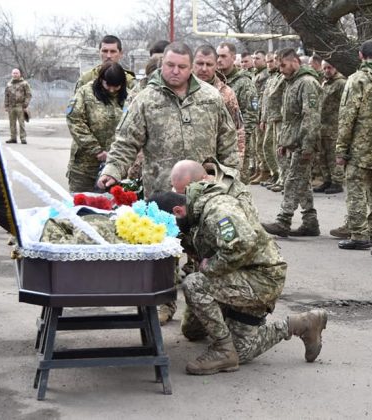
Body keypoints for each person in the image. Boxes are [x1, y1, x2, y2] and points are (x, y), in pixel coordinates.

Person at [97, 42, 241, 325]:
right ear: (162, 64)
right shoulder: (146, 99)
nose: (175, 71)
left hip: (204, 195)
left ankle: (203, 310)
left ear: (191, 68)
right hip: (162, 194)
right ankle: (164, 303)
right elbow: (126, 141)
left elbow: (229, 145)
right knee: (164, 252)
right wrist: (112, 169)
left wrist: (227, 180)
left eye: (182, 67)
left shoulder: (212, 98)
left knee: (204, 252)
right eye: (170, 65)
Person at [150, 182, 327, 375]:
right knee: (195, 332)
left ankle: (225, 350)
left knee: (194, 284)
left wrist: (210, 267)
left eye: (170, 227)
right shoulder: (193, 216)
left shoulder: (218, 210)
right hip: (232, 277)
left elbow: (241, 246)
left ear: (177, 211)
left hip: (259, 278)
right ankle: (296, 324)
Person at [334, 40, 372, 249]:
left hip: (359, 146)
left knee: (356, 190)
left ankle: (358, 233)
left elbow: (348, 115)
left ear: (360, 55)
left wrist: (341, 147)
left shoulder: (357, 79)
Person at [262, 48, 322, 237]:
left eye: (283, 65)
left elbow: (311, 117)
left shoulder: (307, 83)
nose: (281, 70)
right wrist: (284, 141)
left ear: (295, 61)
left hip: (303, 143)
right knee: (302, 182)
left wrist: (307, 145)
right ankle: (310, 221)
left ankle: (284, 220)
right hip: (292, 141)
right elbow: (289, 117)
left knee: (292, 181)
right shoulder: (291, 82)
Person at [66, 62, 127, 193]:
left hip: (114, 167)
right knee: (81, 206)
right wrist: (96, 150)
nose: (111, 90)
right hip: (84, 167)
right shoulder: (85, 93)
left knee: (112, 208)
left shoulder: (128, 97)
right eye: (108, 85)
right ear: (101, 80)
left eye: (116, 86)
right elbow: (75, 120)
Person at [192, 44, 245, 159]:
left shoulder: (226, 94)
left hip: (213, 163)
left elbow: (238, 130)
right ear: (192, 63)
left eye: (209, 64)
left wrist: (235, 166)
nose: (204, 69)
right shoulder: (180, 89)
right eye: (200, 63)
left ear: (216, 65)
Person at [217, 42, 259, 182]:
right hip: (220, 141)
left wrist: (241, 138)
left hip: (237, 141)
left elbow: (251, 112)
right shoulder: (216, 81)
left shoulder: (244, 82)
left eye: (223, 56)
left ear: (233, 57)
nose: (219, 59)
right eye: (217, 56)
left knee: (239, 183)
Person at [313, 60, 346, 196]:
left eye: (329, 67)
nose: (327, 70)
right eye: (324, 68)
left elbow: (345, 104)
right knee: (323, 155)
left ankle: (337, 181)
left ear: (335, 68)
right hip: (323, 125)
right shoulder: (325, 82)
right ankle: (327, 179)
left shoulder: (341, 83)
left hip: (334, 125)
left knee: (333, 155)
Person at [260, 51, 287, 192]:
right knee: (269, 147)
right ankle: (276, 174)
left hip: (280, 117)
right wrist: (263, 118)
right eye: (269, 61)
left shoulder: (283, 76)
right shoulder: (272, 78)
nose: (271, 63)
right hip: (271, 118)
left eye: (273, 60)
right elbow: (266, 100)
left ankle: (282, 178)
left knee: (279, 149)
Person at [250, 50, 271, 185]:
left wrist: (262, 117)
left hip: (262, 114)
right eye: (253, 58)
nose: (254, 60)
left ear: (264, 61)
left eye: (257, 58)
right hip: (255, 113)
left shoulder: (266, 76)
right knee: (256, 145)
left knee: (261, 144)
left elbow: (263, 98)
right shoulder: (255, 74)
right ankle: (259, 169)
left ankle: (265, 171)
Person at [4, 68, 32, 145]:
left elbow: (28, 95)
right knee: (12, 123)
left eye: (16, 73)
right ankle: (13, 138)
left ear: (19, 74)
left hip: (20, 106)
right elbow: (6, 95)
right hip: (11, 106)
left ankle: (23, 138)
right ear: (11, 74)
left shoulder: (24, 83)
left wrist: (25, 104)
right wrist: (6, 106)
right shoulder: (9, 84)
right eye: (14, 73)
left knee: (21, 123)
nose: (15, 75)